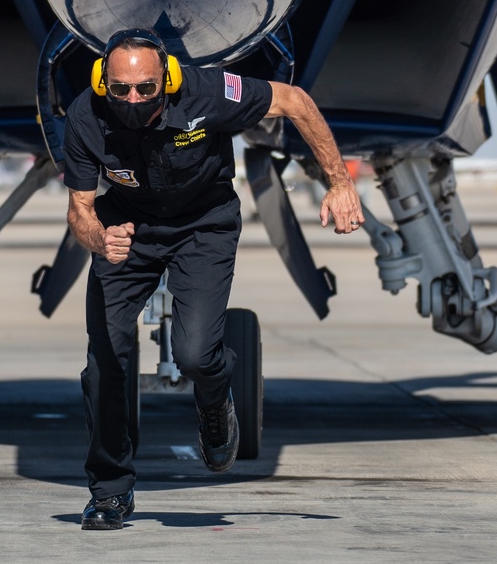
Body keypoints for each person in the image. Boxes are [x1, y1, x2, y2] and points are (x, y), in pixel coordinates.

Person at [63, 27, 363, 531]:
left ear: (168, 79)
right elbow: (79, 208)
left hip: (203, 227)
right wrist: (97, 239)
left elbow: (293, 100)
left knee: (196, 352)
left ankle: (215, 405)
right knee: (105, 362)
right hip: (126, 231)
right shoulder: (84, 118)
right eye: (120, 90)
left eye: (146, 89)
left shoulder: (207, 92)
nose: (133, 100)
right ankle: (111, 491)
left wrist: (339, 182)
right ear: (102, 83)